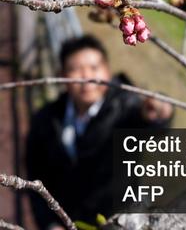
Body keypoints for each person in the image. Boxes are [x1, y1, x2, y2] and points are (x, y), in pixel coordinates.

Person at [26, 34, 174, 230]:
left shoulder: (125, 107)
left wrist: (162, 110)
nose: (86, 77)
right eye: (75, 70)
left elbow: (150, 126)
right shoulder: (45, 119)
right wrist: (49, 223)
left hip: (116, 221)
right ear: (61, 74)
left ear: (108, 71)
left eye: (94, 68)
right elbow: (34, 174)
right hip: (66, 220)